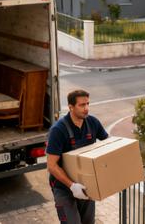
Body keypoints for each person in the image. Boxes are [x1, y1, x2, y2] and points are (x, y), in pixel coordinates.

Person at [46, 89, 109, 224]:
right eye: (82, 105)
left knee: (88, 222)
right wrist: (72, 186)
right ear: (71, 107)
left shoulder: (93, 123)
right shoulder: (58, 130)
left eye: (87, 104)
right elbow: (51, 166)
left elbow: (109, 145)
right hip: (63, 187)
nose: (86, 108)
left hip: (87, 185)